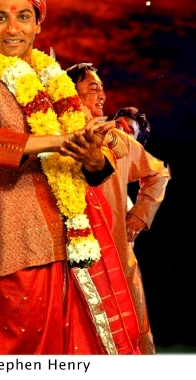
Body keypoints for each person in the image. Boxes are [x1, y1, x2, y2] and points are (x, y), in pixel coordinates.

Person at [0, 0, 140, 354]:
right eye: (1, 17)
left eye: (23, 16)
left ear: (37, 26)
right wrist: (54, 141)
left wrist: (91, 157)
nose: (12, 27)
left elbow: (92, 165)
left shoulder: (55, 82)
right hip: (11, 246)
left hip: (70, 244)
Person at [70, 67, 170, 355]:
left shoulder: (117, 140)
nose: (102, 94)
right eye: (93, 87)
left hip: (114, 250)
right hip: (67, 257)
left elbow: (159, 173)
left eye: (102, 88)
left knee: (130, 333)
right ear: (69, 91)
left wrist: (138, 216)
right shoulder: (53, 136)